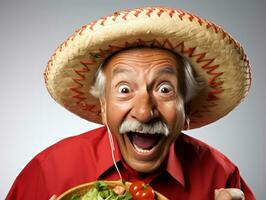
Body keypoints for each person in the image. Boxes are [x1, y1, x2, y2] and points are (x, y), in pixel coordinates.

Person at [7, 7, 255, 200]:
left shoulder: (221, 176)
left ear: (186, 108)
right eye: (124, 90)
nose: (145, 112)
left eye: (164, 89)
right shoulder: (48, 172)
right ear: (103, 105)